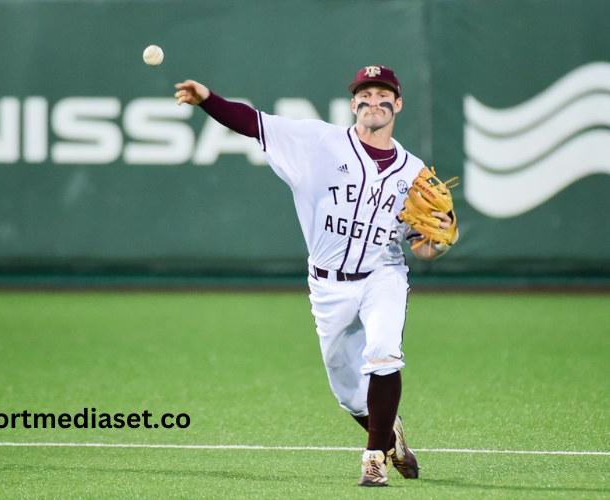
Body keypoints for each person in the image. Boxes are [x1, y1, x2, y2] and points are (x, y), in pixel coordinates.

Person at [175, 65, 458, 487]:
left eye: (384, 95)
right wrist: (207, 100)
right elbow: (254, 124)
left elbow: (422, 246)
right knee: (347, 392)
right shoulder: (317, 142)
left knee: (383, 351)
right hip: (327, 283)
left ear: (398, 104)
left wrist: (440, 241)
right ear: (353, 104)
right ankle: (389, 432)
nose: (374, 102)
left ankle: (374, 459)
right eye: (365, 94)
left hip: (383, 274)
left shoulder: (413, 172)